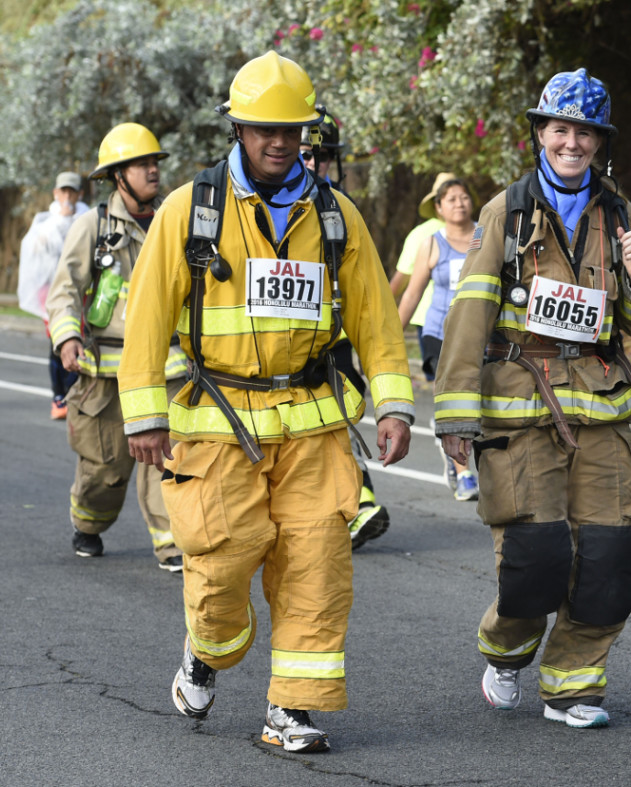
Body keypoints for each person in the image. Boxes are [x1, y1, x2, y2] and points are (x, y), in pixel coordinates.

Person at [117, 51, 414, 753]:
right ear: (239, 128)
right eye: (262, 129)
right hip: (217, 422)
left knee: (316, 561)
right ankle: (208, 648)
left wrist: (396, 405)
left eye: (291, 130)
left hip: (312, 425)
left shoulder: (337, 216)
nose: (278, 142)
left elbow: (375, 317)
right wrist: (143, 415)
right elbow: (147, 316)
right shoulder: (191, 210)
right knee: (220, 559)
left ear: (307, 132)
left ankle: (292, 709)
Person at [433, 68, 631, 728]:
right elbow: (468, 315)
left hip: (603, 411)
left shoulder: (621, 214)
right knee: (536, 561)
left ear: (599, 141)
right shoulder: (504, 212)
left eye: (585, 132)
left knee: (610, 558)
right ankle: (506, 651)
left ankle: (573, 685)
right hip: (521, 410)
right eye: (560, 128)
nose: (572, 143)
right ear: (541, 134)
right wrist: (455, 414)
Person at [45, 123, 187, 572]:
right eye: (142, 164)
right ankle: (87, 524)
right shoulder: (93, 226)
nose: (153, 170)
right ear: (117, 176)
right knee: (105, 472)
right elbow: (65, 288)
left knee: (169, 458)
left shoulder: (175, 220)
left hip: (167, 368)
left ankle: (172, 544)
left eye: (155, 163)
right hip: (105, 373)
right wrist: (67, 336)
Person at [299, 109, 391, 550]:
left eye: (322, 157)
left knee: (338, 421)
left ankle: (357, 506)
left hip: (333, 345)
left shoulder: (340, 211)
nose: (314, 166)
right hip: (277, 352)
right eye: (305, 155)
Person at [398, 173, 480, 502]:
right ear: (439, 208)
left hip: (478, 334)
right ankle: (463, 473)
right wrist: (389, 341)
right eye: (451, 199)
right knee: (454, 398)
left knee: (481, 404)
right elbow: (412, 294)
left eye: (463, 197)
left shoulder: (487, 237)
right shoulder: (432, 242)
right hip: (439, 333)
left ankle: (458, 451)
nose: (459, 204)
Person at [17, 171, 89, 419]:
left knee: (79, 340)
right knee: (58, 343)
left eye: (72, 191)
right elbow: (35, 253)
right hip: (50, 294)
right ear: (56, 194)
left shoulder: (87, 218)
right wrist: (58, 224)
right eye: (63, 191)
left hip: (81, 294)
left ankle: (73, 394)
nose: (67, 196)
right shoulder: (45, 223)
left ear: (79, 193)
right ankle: (59, 397)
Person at [388, 185, 445, 382]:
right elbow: (404, 284)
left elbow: (399, 282)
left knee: (440, 378)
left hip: (431, 320)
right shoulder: (424, 235)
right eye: (450, 198)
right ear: (438, 205)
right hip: (431, 318)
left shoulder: (477, 231)